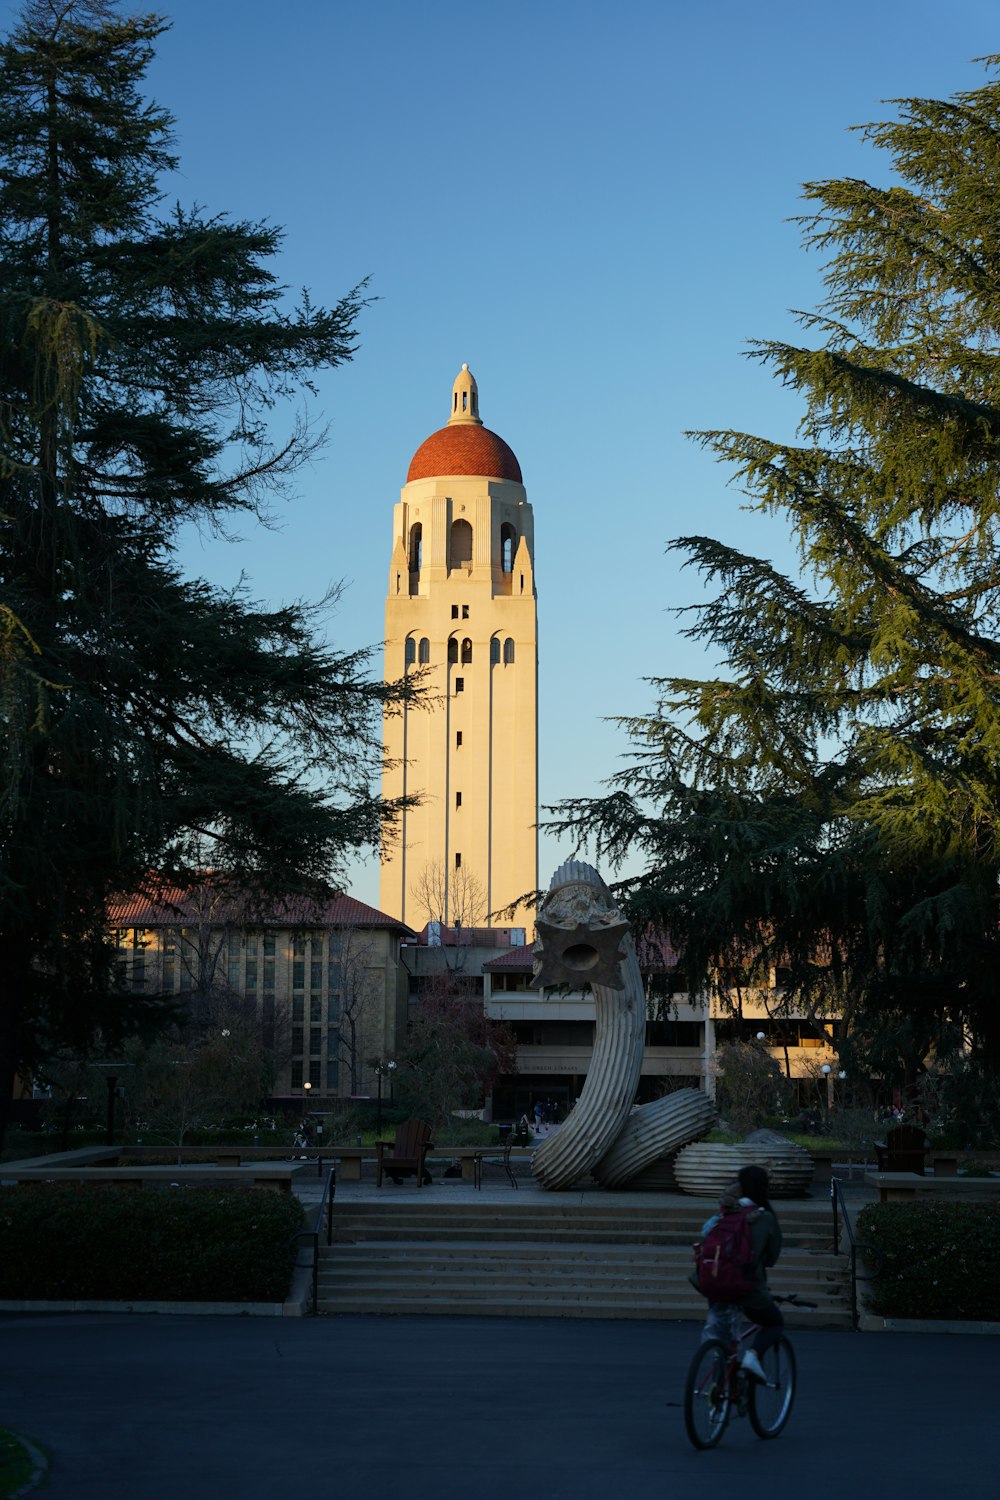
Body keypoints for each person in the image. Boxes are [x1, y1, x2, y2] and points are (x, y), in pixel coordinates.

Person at [730, 1163, 783, 1383]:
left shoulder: (727, 1212)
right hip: (747, 1287)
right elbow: (771, 1258)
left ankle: (720, 1378)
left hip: (715, 1283)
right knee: (774, 1322)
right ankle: (753, 1355)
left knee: (722, 1337)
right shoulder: (766, 1218)